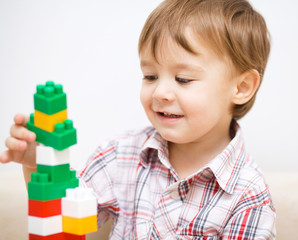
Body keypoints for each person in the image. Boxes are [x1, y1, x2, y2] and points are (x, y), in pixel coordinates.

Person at [0, 0, 276, 239]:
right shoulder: (120, 155)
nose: (160, 92)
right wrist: (42, 164)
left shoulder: (248, 197)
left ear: (241, 88)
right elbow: (64, 221)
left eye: (183, 79)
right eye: (150, 76)